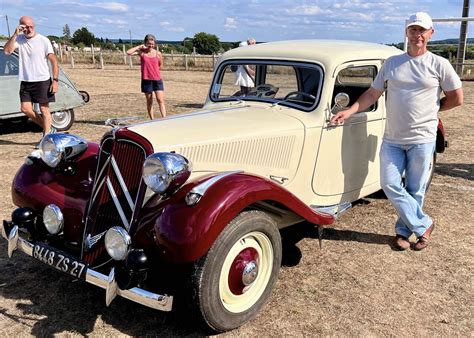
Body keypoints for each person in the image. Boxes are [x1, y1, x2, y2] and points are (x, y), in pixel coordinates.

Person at [331, 12, 463, 251]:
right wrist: (349, 111)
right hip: (392, 138)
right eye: (413, 30)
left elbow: (456, 98)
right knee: (390, 183)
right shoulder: (392, 63)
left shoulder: (439, 64)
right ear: (407, 33)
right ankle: (424, 224)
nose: (418, 35)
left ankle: (405, 232)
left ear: (431, 33)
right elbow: (373, 93)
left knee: (415, 189)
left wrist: (435, 109)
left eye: (422, 30)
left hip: (422, 138)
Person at [4, 16, 59, 139]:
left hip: (42, 80)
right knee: (25, 109)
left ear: (34, 25)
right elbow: (7, 52)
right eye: (26, 27)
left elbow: (54, 61)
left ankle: (46, 137)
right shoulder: (19, 39)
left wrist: (55, 81)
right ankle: (49, 129)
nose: (29, 29)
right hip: (26, 80)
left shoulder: (43, 40)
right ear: (21, 27)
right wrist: (14, 35)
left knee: (44, 109)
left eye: (31, 26)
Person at [127, 34, 166, 119]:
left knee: (160, 100)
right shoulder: (142, 52)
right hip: (146, 80)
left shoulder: (158, 53)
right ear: (145, 43)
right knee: (149, 101)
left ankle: (164, 119)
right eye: (149, 43)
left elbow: (161, 65)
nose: (151, 46)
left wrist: (154, 71)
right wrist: (139, 47)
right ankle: (152, 120)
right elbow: (128, 52)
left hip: (157, 80)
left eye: (152, 44)